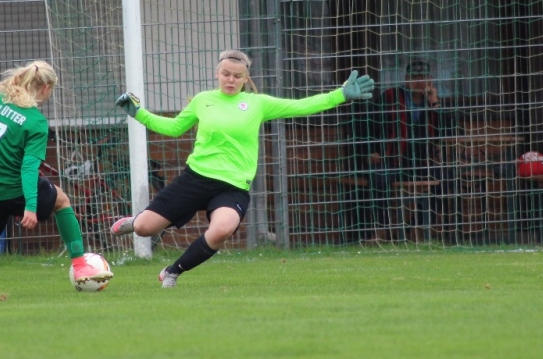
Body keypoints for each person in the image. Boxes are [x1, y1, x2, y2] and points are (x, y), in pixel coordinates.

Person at [110, 49, 375, 288]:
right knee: (145, 229)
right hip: (195, 178)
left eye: (237, 76)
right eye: (226, 74)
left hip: (233, 186)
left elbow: (301, 106)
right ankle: (135, 221)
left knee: (222, 230)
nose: (230, 80)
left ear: (246, 78)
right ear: (217, 74)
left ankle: (172, 272)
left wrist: (340, 95)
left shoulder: (257, 104)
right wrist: (138, 113)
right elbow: (174, 128)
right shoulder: (203, 100)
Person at [0, 60, 110, 298]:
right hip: (15, 191)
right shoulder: (35, 121)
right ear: (45, 88)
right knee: (61, 201)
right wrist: (30, 206)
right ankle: (80, 266)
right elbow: (29, 168)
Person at [349, 58, 449, 241]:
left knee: (449, 177)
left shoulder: (433, 102)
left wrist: (435, 103)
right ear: (406, 79)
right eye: (415, 77)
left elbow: (450, 131)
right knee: (378, 178)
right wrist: (369, 151)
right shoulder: (390, 97)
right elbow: (363, 125)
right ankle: (380, 229)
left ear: (430, 79)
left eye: (423, 77)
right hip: (392, 161)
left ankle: (417, 225)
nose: (419, 81)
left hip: (422, 163)